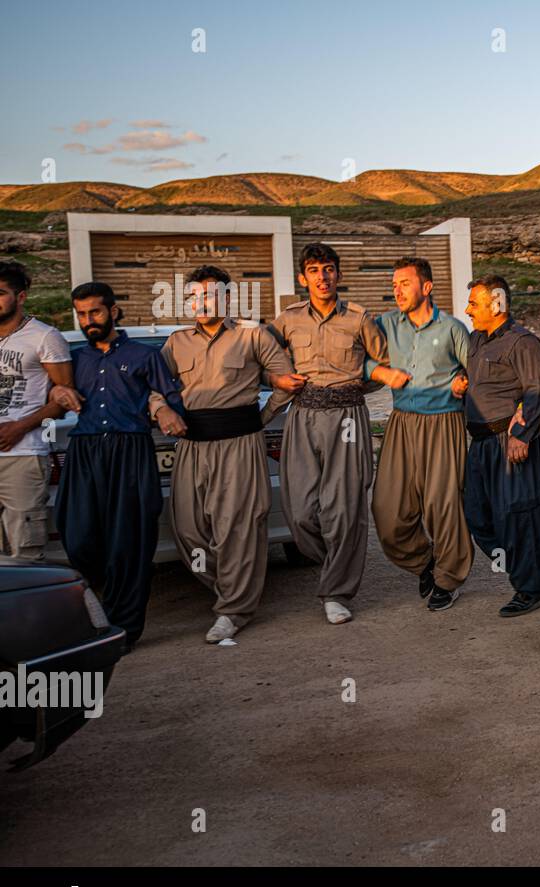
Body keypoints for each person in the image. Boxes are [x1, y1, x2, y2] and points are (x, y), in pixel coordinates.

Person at [158, 266, 300, 644]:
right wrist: (161, 409)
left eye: (208, 295)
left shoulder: (253, 335)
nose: (199, 303)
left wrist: (263, 417)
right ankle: (233, 584)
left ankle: (232, 609)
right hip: (192, 446)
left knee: (237, 527)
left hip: (240, 443)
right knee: (188, 527)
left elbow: (286, 380)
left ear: (226, 298)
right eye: (192, 296)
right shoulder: (176, 343)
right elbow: (156, 385)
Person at [268, 243, 406, 624]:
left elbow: (384, 363)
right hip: (302, 414)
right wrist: (277, 378)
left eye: (329, 269)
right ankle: (334, 560)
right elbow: (261, 355)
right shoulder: (288, 319)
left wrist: (353, 388)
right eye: (314, 270)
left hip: (347, 415)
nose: (322, 277)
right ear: (303, 278)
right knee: (299, 511)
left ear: (338, 274)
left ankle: (336, 592)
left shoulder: (360, 318)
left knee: (344, 508)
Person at [51, 282, 185, 651]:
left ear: (113, 311)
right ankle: (96, 609)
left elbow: (171, 396)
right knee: (77, 534)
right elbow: (51, 391)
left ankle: (122, 629)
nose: (88, 320)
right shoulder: (75, 360)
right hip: (85, 450)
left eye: (94, 312)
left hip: (131, 449)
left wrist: (163, 408)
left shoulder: (145, 355)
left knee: (130, 541)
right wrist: (55, 392)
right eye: (81, 314)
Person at [367, 257, 473, 611]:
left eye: (405, 283)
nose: (397, 290)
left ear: (426, 287)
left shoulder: (453, 328)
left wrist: (464, 382)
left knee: (442, 506)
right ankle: (425, 563)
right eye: (394, 284)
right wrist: (379, 372)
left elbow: (477, 373)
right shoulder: (384, 325)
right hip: (401, 422)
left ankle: (448, 578)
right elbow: (354, 356)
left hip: (444, 422)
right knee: (387, 509)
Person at [462, 275, 540, 617]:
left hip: (509, 443)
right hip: (480, 444)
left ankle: (530, 588)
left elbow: (539, 390)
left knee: (517, 516)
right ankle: (534, 558)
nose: (467, 309)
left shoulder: (522, 342)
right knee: (478, 517)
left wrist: (522, 434)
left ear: (496, 304)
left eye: (474, 303)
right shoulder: (475, 340)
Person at [0, 259, 73, 559]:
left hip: (23, 454)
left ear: (21, 297)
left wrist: (20, 426)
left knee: (25, 549)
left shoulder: (45, 336)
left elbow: (64, 399)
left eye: (0, 292)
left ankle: (28, 606)